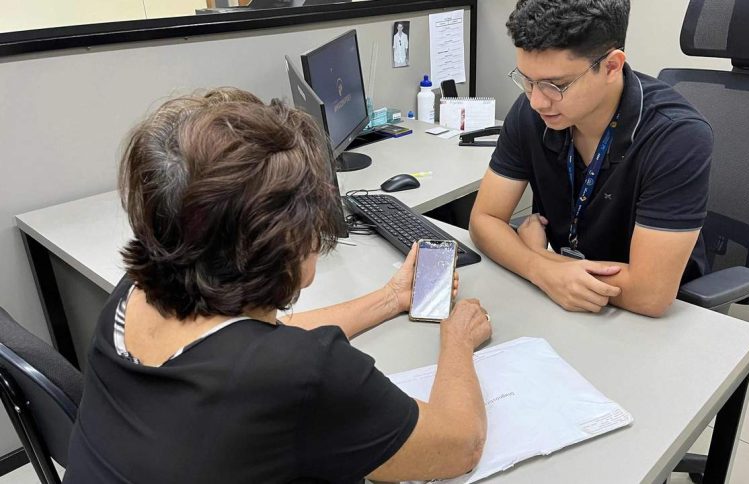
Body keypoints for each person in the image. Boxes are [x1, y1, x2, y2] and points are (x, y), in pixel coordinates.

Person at [64, 88, 492, 483]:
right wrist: (457, 343)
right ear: (288, 240)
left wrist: (389, 298)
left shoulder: (134, 293)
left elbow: (252, 345)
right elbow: (461, 445)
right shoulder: (304, 373)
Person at [469, 0, 713, 318]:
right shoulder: (533, 111)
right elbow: (484, 220)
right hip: (562, 303)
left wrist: (538, 256)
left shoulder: (677, 137)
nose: (537, 101)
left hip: (647, 322)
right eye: (527, 80)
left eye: (556, 85)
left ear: (611, 66)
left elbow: (649, 294)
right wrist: (538, 266)